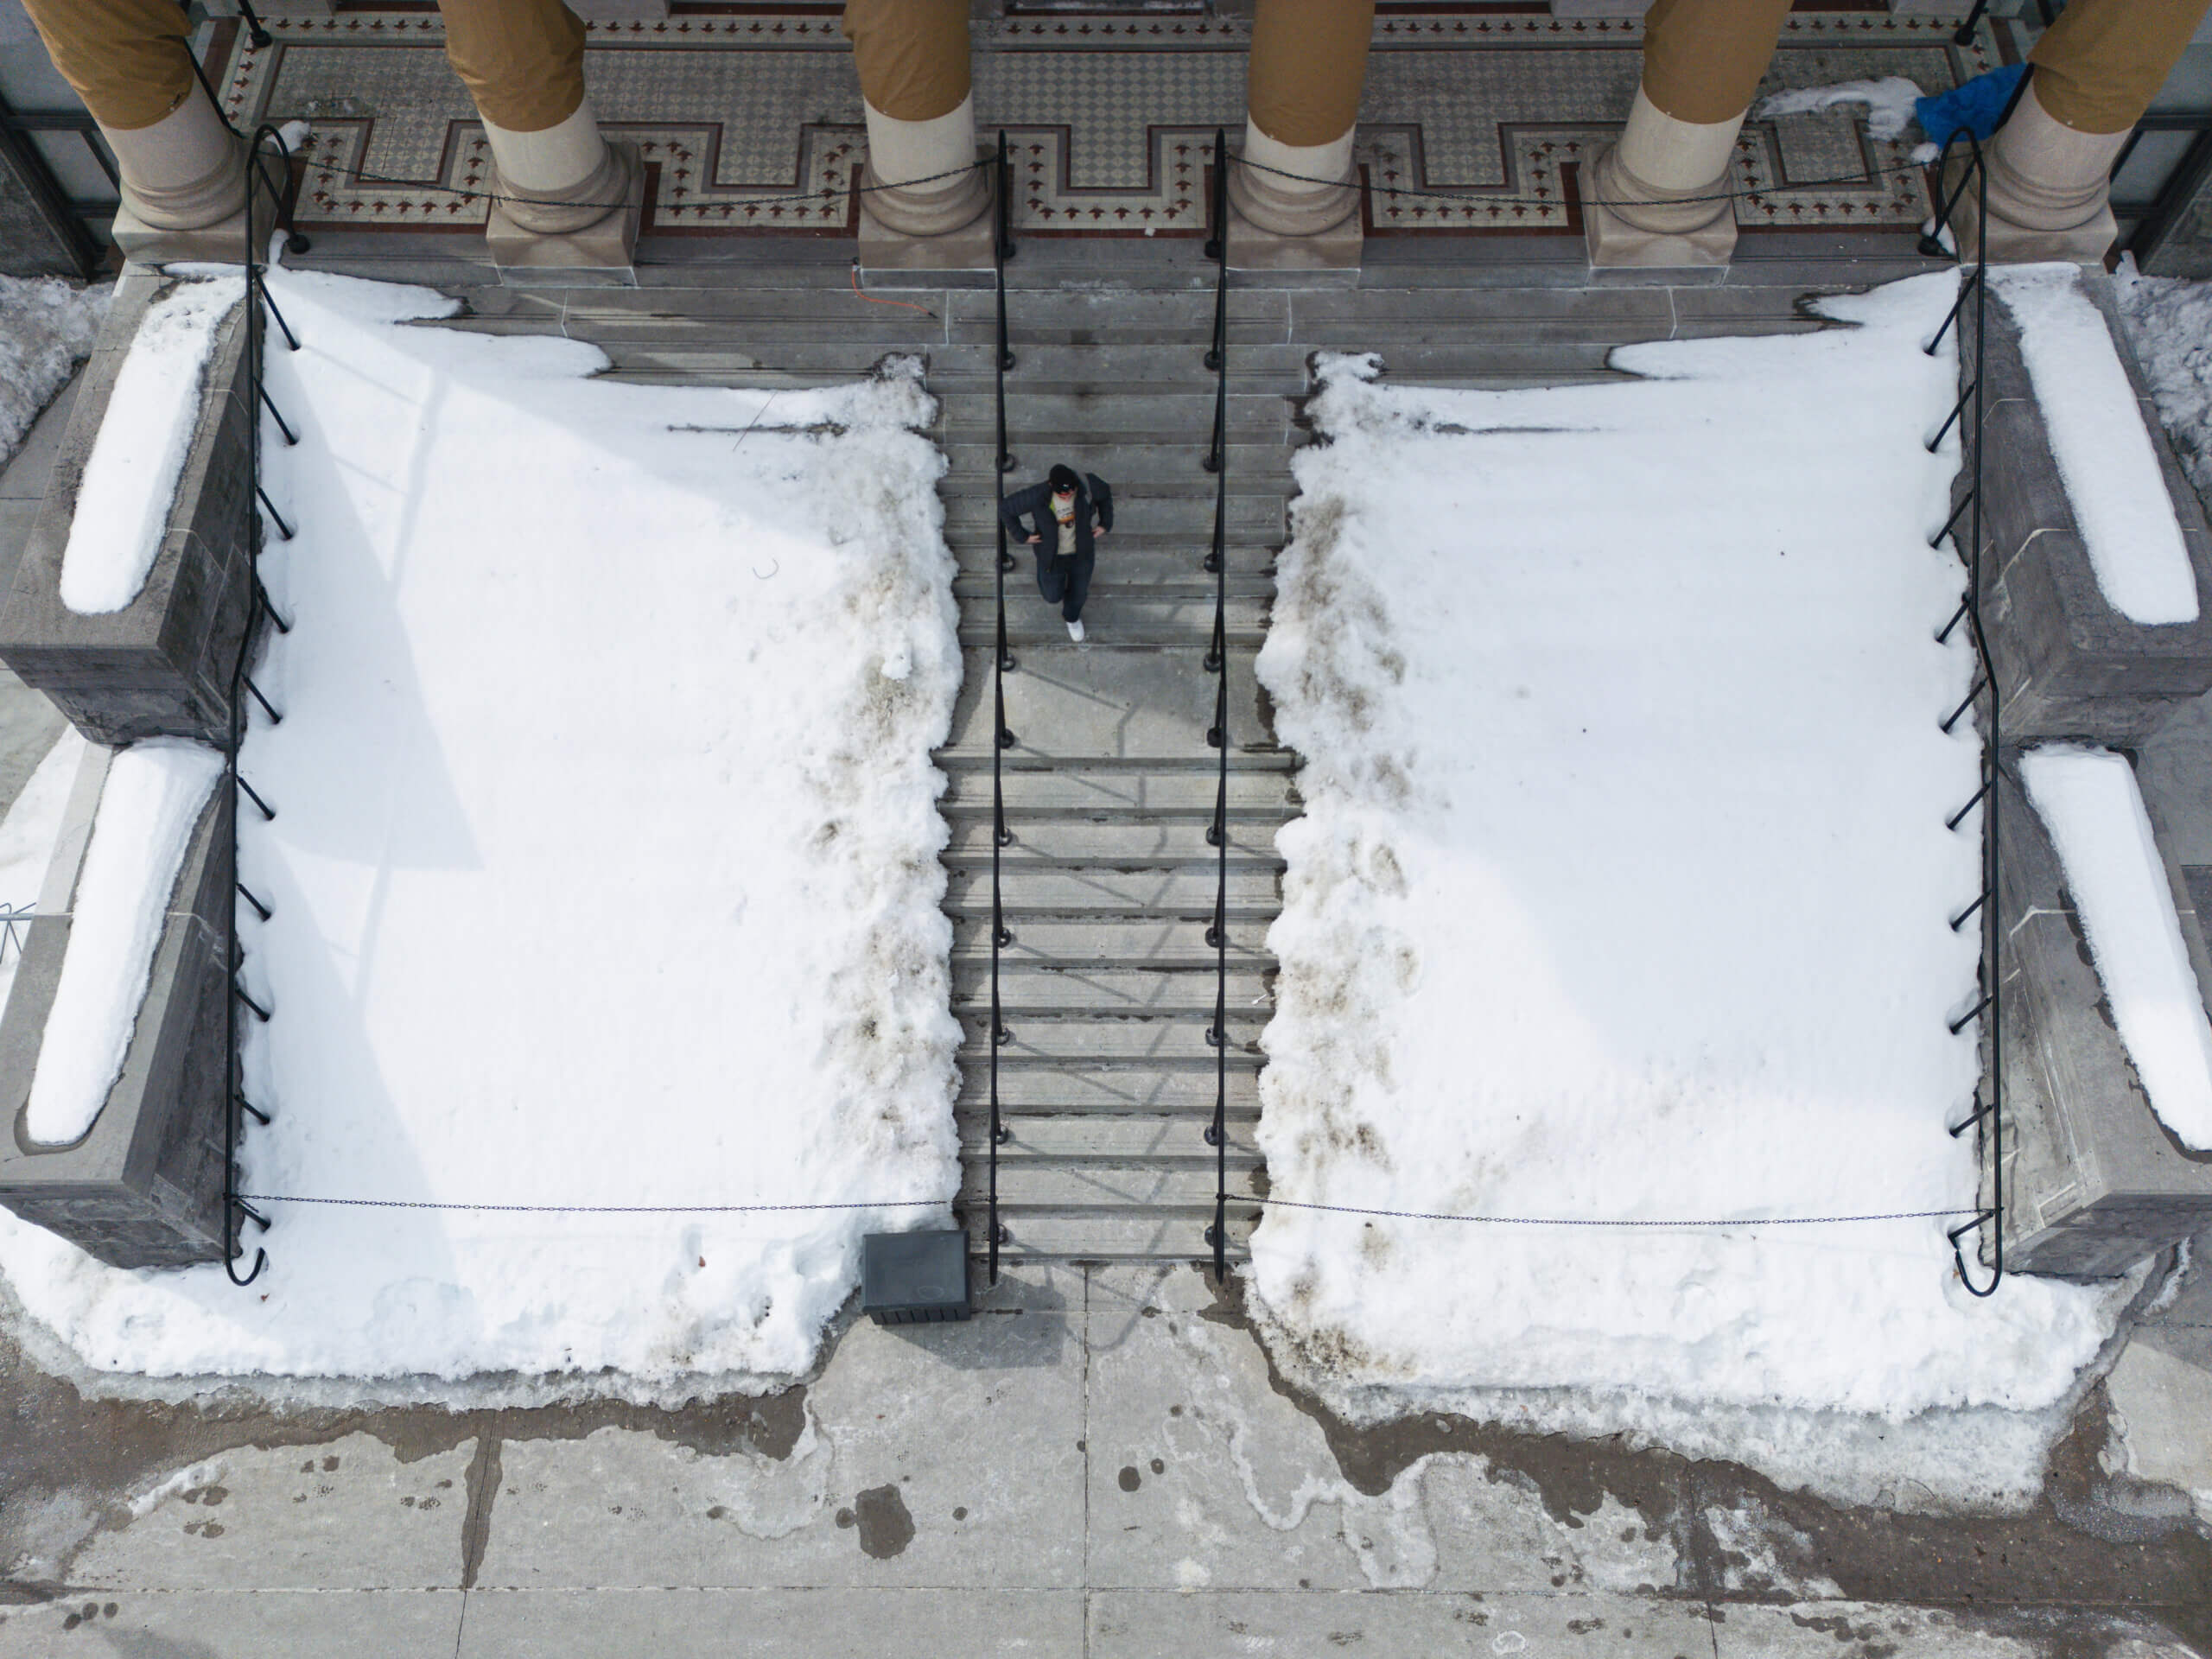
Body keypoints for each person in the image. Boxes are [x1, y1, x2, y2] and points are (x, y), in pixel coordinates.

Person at [998, 463, 1113, 642]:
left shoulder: (1087, 485)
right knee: (1052, 596)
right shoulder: (1038, 495)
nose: (1067, 497)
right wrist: (1023, 536)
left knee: (1078, 594)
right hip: (1051, 558)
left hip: (1082, 555)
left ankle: (1072, 618)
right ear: (1051, 486)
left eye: (1071, 492)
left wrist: (1105, 523)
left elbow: (1104, 494)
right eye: (1062, 494)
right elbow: (1006, 508)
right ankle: (1056, 592)